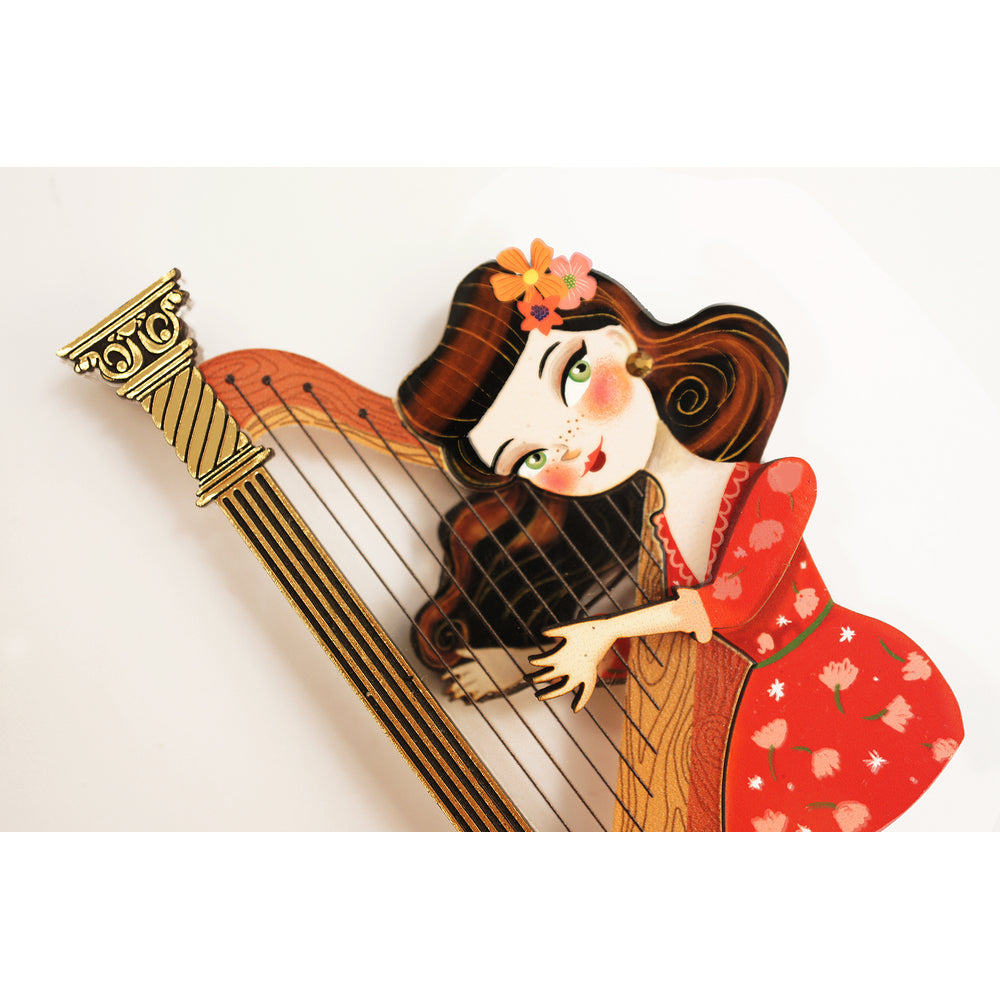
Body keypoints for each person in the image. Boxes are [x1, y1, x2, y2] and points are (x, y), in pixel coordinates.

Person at [397, 238, 964, 832]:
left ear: (624, 344)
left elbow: (730, 604)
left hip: (843, 700)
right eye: (532, 457)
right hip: (744, 742)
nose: (568, 443)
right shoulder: (656, 532)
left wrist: (604, 628)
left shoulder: (780, 481)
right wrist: (521, 662)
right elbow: (668, 650)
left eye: (574, 375)